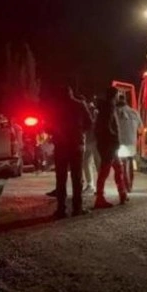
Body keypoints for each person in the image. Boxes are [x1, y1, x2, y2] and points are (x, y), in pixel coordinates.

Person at [44, 84, 93, 218]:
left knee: (61, 177)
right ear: (71, 93)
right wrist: (79, 132)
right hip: (76, 145)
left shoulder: (54, 108)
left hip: (61, 145)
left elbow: (47, 126)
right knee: (77, 177)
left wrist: (56, 133)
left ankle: (61, 209)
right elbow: (89, 123)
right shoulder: (80, 105)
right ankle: (77, 208)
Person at [94, 86, 127, 208]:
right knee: (105, 171)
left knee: (118, 168)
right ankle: (99, 198)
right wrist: (115, 139)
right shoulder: (108, 108)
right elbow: (108, 127)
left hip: (108, 144)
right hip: (109, 144)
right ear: (115, 95)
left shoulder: (106, 107)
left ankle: (122, 193)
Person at [115, 93, 143, 193]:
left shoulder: (116, 112)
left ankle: (125, 186)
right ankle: (130, 185)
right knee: (130, 161)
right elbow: (140, 128)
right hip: (132, 142)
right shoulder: (134, 112)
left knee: (121, 164)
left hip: (120, 142)